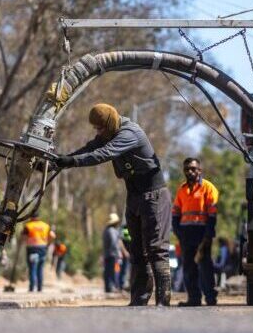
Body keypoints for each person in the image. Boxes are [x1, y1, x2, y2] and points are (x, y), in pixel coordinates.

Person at [55, 104, 172, 306]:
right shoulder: (109, 132)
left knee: (155, 249)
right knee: (137, 250)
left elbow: (103, 154)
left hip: (154, 195)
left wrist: (72, 162)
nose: (98, 132)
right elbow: (91, 148)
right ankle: (139, 299)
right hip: (134, 196)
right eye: (96, 128)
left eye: (100, 127)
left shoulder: (129, 133)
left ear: (109, 123)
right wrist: (61, 161)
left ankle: (163, 300)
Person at [172, 157, 219, 306]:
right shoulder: (181, 189)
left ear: (199, 170)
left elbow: (212, 214)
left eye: (193, 168)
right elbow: (175, 213)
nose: (189, 171)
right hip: (186, 234)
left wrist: (208, 234)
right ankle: (194, 299)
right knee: (188, 267)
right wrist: (178, 232)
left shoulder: (208, 187)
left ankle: (210, 298)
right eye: (186, 169)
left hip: (202, 233)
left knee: (205, 267)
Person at [22, 216, 54, 292]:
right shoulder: (45, 225)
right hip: (43, 248)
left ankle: (32, 287)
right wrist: (48, 243)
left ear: (32, 217)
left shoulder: (28, 225)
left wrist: (26, 242)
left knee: (33, 268)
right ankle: (40, 288)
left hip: (32, 249)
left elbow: (23, 237)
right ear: (39, 217)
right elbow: (53, 236)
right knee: (40, 268)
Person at [102, 212, 122, 293]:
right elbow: (114, 243)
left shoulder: (106, 230)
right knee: (112, 271)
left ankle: (108, 287)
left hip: (107, 253)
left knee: (107, 271)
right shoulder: (112, 231)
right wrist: (118, 253)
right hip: (112, 254)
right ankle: (111, 287)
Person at [118, 226, 131, 291]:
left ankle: (129, 286)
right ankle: (121, 286)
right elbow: (120, 241)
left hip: (133, 254)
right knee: (124, 270)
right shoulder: (124, 228)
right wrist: (125, 252)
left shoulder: (134, 226)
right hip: (126, 254)